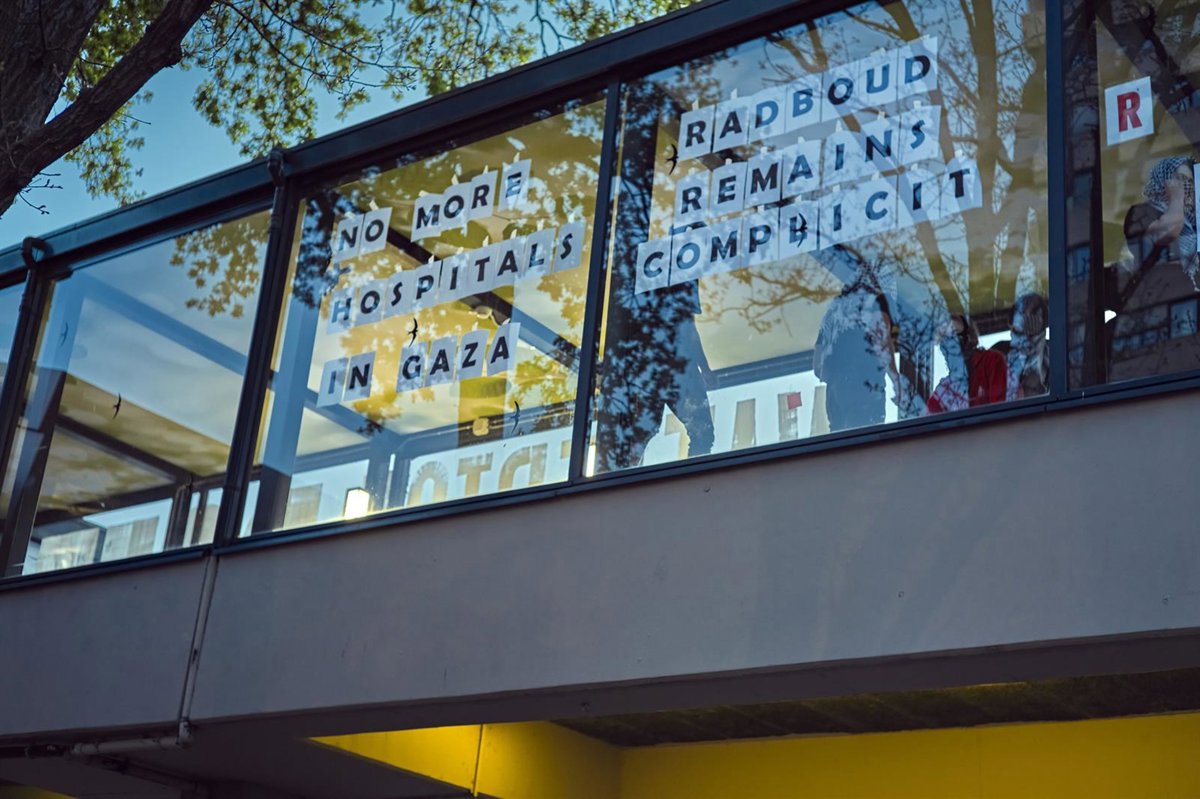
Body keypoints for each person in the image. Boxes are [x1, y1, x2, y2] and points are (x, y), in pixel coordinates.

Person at [814, 278, 898, 431]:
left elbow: (817, 367)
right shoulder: (877, 301)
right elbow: (883, 343)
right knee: (869, 440)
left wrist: (837, 380)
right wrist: (897, 381)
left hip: (836, 396)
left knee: (839, 442)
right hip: (866, 392)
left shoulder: (832, 312)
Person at [926, 314, 1006, 413]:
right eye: (945, 338)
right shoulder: (945, 390)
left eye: (955, 335)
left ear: (969, 337)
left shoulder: (991, 361)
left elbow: (1000, 410)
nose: (950, 343)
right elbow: (930, 416)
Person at [1006, 293, 1048, 401]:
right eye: (1016, 331)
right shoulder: (999, 358)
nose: (1024, 340)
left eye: (1031, 330)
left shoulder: (1056, 359)